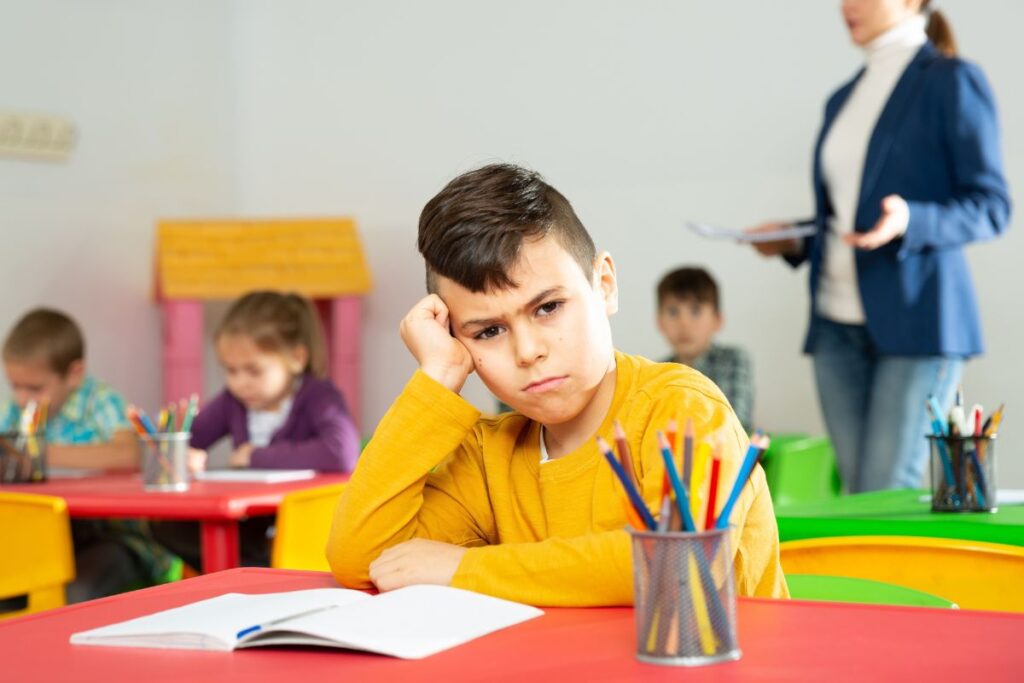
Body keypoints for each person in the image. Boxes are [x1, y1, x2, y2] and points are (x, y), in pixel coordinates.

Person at [327, 164, 788, 606]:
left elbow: (678, 563)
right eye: (488, 331)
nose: (527, 351)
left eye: (547, 307)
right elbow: (361, 559)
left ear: (604, 284)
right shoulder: (490, 457)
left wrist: (463, 568)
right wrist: (437, 378)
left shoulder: (680, 407)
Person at [747, 0, 1010, 492]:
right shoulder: (843, 97)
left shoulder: (951, 81)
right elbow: (849, 218)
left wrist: (911, 218)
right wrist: (793, 238)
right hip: (834, 326)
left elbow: (992, 206)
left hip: (918, 323)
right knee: (856, 493)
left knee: (884, 491)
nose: (847, 6)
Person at [153, 291, 359, 568]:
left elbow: (342, 453)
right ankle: (253, 574)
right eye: (231, 370)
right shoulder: (233, 401)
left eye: (254, 370)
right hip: (251, 519)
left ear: (296, 359)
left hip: (305, 520)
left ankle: (257, 574)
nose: (240, 383)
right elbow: (191, 436)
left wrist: (254, 456)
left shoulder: (319, 395)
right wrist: (182, 453)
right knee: (164, 526)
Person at [0, 308, 176, 602]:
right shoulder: (12, 411)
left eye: (35, 388)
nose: (22, 398)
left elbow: (127, 456)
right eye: (15, 386)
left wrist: (44, 454)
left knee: (73, 595)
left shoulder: (100, 402)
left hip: (113, 537)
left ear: (74, 374)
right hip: (42, 539)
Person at [656, 266, 754, 431]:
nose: (684, 323)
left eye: (695, 311)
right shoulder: (658, 371)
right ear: (659, 322)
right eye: (673, 312)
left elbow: (736, 419)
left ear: (717, 319)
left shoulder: (733, 359)